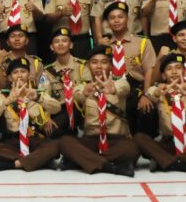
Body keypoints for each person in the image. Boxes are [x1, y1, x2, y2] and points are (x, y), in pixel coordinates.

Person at [55, 46, 137, 176]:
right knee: (65, 142)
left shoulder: (120, 82)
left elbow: (124, 88)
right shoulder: (83, 86)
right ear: (88, 66)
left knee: (132, 149)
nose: (99, 66)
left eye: (104, 62)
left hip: (117, 140)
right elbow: (77, 94)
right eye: (94, 62)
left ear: (110, 66)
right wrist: (85, 92)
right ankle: (111, 167)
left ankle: (84, 160)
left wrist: (113, 89)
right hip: (91, 140)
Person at [134, 53, 186, 175]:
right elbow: (150, 93)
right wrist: (158, 91)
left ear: (185, 72)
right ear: (163, 75)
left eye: (178, 68)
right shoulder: (160, 90)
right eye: (169, 69)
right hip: (167, 143)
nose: (174, 72)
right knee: (139, 138)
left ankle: (165, 161)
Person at [0, 57, 62, 172]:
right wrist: (8, 101)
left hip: (33, 139)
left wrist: (38, 98)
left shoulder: (37, 92)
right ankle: (38, 160)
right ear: (10, 77)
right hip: (13, 141)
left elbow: (57, 108)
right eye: (15, 72)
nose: (19, 75)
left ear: (29, 74)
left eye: (23, 71)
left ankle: (11, 164)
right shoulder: (4, 95)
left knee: (54, 147)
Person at [41, 27, 92, 138]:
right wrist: (46, 116)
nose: (60, 44)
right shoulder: (47, 71)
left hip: (81, 108)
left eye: (64, 41)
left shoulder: (83, 66)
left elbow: (87, 92)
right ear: (51, 47)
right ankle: (72, 135)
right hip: (61, 109)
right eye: (56, 41)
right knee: (49, 131)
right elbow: (44, 95)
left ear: (71, 45)